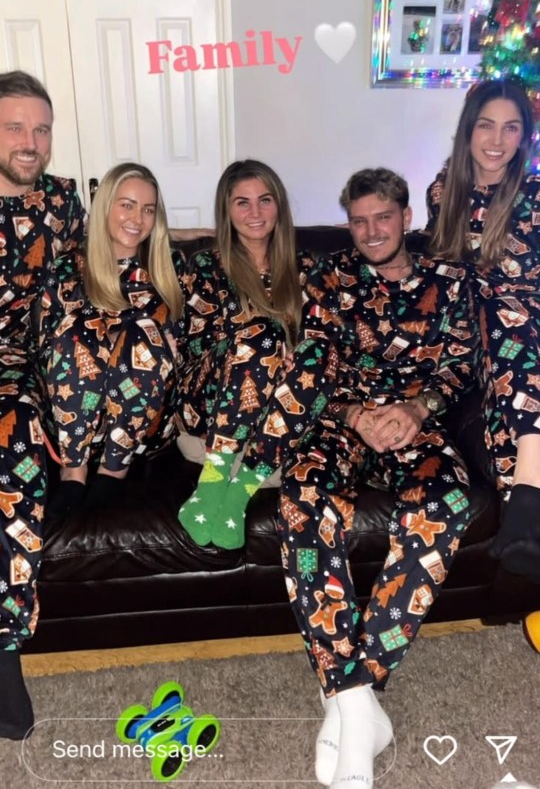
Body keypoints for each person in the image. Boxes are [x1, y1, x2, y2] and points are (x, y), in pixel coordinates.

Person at [274, 168, 477, 789]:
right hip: (345, 424)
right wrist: (353, 414)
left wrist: (417, 411)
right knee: (303, 499)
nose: (370, 231)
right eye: (358, 221)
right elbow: (315, 368)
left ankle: (351, 697)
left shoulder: (448, 281)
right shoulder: (327, 278)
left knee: (446, 500)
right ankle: (357, 704)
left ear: (406, 218)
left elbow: (459, 365)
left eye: (382, 218)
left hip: (416, 423)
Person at [0, 70, 86, 740]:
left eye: (41, 128)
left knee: (17, 444)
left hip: (29, 376)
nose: (31, 142)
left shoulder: (62, 202)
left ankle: (5, 650)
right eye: (15, 127)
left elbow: (91, 288)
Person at [426, 78, 540, 581]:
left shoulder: (534, 194)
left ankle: (523, 523)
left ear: (524, 137)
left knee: (514, 370)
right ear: (468, 129)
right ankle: (525, 515)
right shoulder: (444, 192)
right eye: (487, 125)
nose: (497, 140)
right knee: (507, 335)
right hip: (481, 328)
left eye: (511, 128)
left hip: (528, 326)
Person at [177, 159, 320, 550]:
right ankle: (211, 484)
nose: (255, 213)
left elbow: (322, 337)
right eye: (242, 202)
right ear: (227, 210)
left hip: (279, 408)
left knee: (319, 357)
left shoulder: (306, 266)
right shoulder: (206, 265)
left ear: (279, 206)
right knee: (262, 337)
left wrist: (295, 356)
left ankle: (239, 492)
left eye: (264, 200)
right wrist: (266, 347)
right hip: (211, 399)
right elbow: (195, 346)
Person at [39, 163, 184, 515]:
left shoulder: (170, 267)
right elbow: (48, 346)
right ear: (105, 206)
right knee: (77, 333)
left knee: (142, 336)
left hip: (142, 422)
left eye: (148, 209)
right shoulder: (69, 268)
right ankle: (74, 469)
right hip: (76, 417)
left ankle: (113, 470)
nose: (138, 218)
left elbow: (182, 347)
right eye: (127, 205)